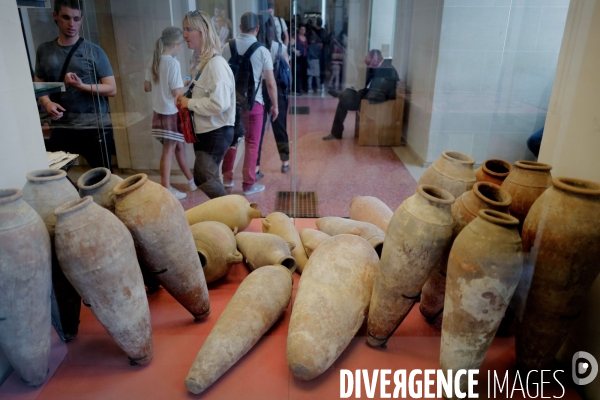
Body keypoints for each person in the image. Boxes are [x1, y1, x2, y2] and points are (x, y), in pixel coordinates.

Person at [35, 0, 117, 170]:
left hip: (94, 126)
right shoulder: (45, 50)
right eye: (66, 17)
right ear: (55, 16)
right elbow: (39, 81)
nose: (72, 24)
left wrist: (81, 86)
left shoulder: (94, 51)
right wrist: (47, 102)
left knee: (103, 178)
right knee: (55, 177)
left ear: (82, 20)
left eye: (76, 18)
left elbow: (111, 88)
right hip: (63, 126)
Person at [175, 10, 235, 199]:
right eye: (184, 29)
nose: (184, 34)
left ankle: (231, 210)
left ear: (202, 32)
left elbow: (219, 104)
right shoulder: (202, 62)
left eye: (189, 29)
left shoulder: (216, 65)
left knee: (203, 176)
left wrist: (188, 102)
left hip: (217, 130)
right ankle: (226, 215)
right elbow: (195, 79)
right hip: (206, 130)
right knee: (209, 176)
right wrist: (185, 86)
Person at [220, 12, 279, 195]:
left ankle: (228, 181)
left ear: (239, 27)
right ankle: (248, 185)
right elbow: (270, 82)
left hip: (230, 105)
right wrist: (275, 105)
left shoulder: (226, 47)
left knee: (232, 141)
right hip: (254, 104)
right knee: (252, 144)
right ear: (257, 28)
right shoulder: (262, 51)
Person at [144, 26, 196, 200]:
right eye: (181, 44)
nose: (182, 48)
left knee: (178, 147)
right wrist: (186, 81)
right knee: (169, 150)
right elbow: (177, 93)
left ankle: (191, 180)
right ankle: (166, 187)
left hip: (159, 112)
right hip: (171, 113)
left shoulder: (154, 60)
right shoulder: (173, 63)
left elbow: (147, 87)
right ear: (174, 45)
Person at [323, 49, 399, 140]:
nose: (369, 66)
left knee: (344, 100)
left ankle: (336, 132)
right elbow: (370, 86)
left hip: (376, 101)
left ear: (377, 58)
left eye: (370, 63)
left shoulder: (386, 69)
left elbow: (380, 93)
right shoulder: (381, 66)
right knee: (347, 94)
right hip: (370, 95)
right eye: (368, 63)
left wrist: (362, 96)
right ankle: (342, 95)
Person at [256, 11, 291, 176]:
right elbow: (287, 70)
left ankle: (255, 167)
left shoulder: (254, 48)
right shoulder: (279, 47)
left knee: (257, 130)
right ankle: (285, 162)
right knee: (280, 127)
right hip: (277, 89)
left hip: (257, 91)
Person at [291, 25, 308, 95]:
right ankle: (297, 88)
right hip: (297, 58)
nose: (303, 31)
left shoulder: (305, 38)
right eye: (301, 29)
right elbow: (291, 46)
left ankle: (302, 88)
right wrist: (296, 51)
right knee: (297, 73)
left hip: (304, 58)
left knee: (303, 73)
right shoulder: (295, 37)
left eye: (304, 29)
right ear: (299, 30)